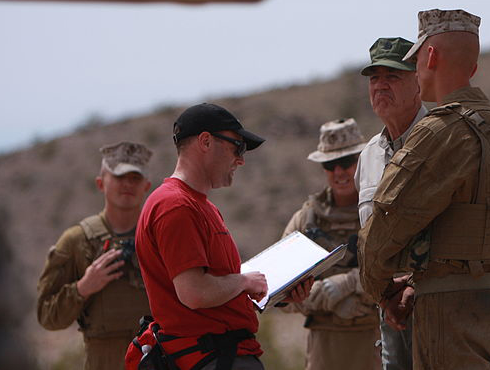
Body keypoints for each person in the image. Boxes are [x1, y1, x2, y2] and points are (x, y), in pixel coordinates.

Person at [359, 9, 490, 370]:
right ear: (473, 67)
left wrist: (383, 294)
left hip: (451, 320)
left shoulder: (440, 132)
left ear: (429, 57)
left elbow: (382, 230)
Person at [130, 103, 312, 370]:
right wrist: (243, 282)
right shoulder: (175, 206)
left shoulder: (199, 206)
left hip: (222, 355)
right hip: (211, 358)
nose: (241, 159)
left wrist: (276, 293)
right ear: (205, 141)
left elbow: (214, 295)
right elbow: (194, 293)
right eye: (237, 147)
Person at [37, 141, 154, 370]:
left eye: (135, 178)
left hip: (156, 360)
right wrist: (83, 288)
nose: (128, 184)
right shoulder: (77, 242)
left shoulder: (159, 236)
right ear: (100, 183)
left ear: (147, 185)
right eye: (119, 177)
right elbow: (47, 316)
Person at [280, 118, 379, 370]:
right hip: (325, 348)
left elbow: (405, 275)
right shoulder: (306, 220)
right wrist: (326, 298)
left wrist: (348, 283)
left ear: (361, 161)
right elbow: (280, 293)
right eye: (330, 164)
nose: (339, 172)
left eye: (346, 162)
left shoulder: (381, 212)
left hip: (378, 339)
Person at [355, 36, 428, 370]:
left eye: (393, 76)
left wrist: (413, 286)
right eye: (374, 78)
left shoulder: (443, 142)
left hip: (438, 303)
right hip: (389, 312)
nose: (381, 86)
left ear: (418, 83)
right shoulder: (368, 155)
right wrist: (385, 296)